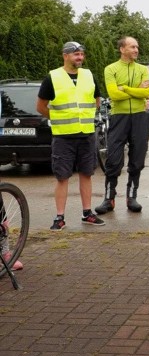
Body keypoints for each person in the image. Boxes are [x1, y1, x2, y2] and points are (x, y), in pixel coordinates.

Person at [36, 41, 105, 234]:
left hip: (86, 134)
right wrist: (57, 118)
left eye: (82, 54)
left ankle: (87, 213)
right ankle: (60, 217)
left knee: (87, 174)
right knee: (62, 176)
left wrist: (90, 115)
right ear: (65, 55)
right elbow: (41, 106)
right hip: (63, 137)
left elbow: (97, 99)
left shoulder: (89, 75)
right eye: (76, 54)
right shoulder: (53, 77)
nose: (80, 57)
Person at [95, 36, 149, 214]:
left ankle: (132, 197)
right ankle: (108, 199)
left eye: (137, 47)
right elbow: (113, 94)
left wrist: (125, 88)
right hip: (119, 117)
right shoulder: (110, 69)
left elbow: (147, 93)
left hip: (139, 117)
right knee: (113, 159)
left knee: (137, 159)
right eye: (132, 47)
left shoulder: (143, 69)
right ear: (122, 49)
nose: (136, 50)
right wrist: (137, 91)